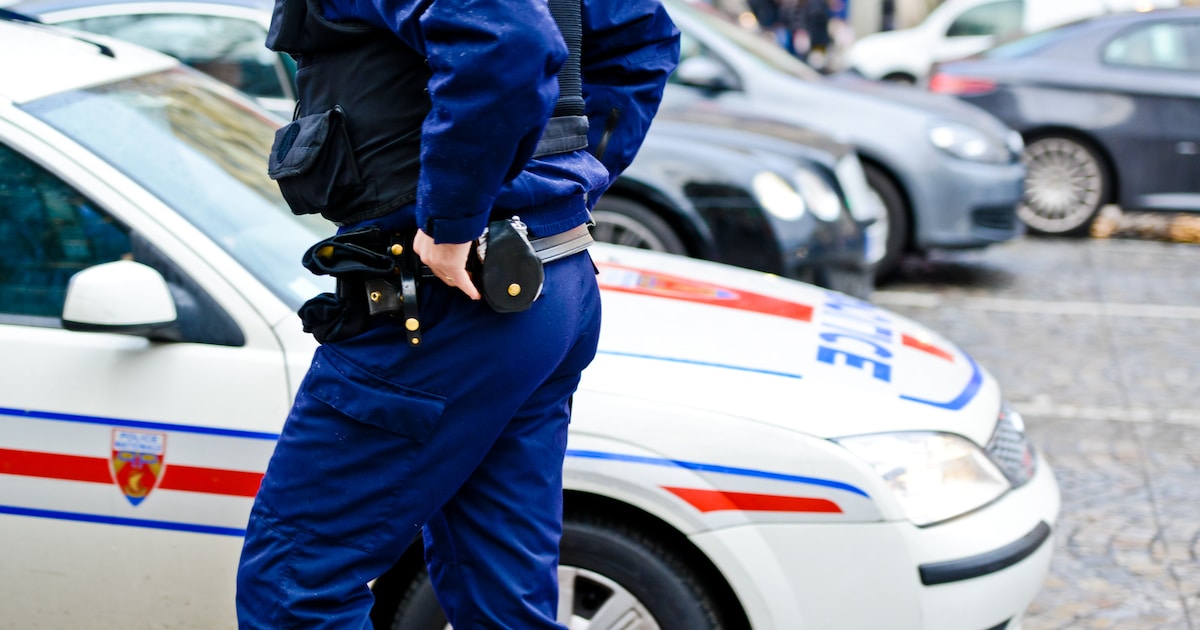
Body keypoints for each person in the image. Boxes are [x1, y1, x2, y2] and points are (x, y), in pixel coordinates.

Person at [234, 0, 679, 627]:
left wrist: (453, 219)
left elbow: (508, 39)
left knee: (295, 587)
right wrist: (561, 186)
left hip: (448, 303)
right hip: (541, 281)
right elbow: (640, 37)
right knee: (503, 599)